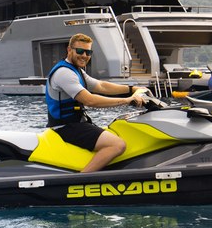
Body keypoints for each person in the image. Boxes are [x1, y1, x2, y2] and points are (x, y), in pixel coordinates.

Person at [45, 33, 146, 172]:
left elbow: (101, 86)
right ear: (69, 50)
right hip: (67, 127)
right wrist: (127, 100)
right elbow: (90, 100)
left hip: (77, 123)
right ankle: (81, 180)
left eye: (88, 52)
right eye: (80, 51)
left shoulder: (77, 71)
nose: (84, 55)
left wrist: (131, 88)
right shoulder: (64, 73)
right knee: (117, 145)